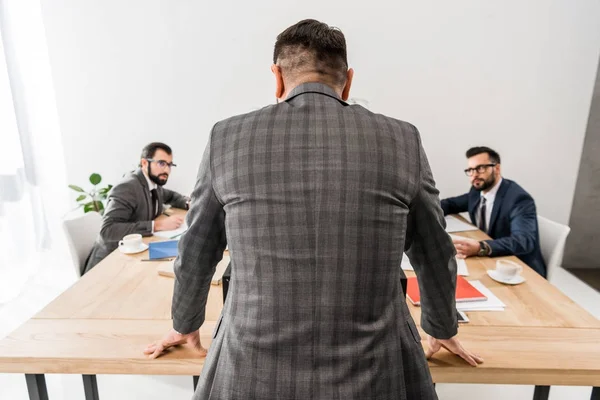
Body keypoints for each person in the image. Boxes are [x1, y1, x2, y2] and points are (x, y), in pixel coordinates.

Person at [145, 19, 482, 399]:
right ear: (348, 82)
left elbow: (197, 249)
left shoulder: (226, 137)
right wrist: (441, 326)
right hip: (374, 371)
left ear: (277, 78)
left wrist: (185, 322)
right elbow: (434, 250)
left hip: (251, 370)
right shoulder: (402, 138)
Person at [83, 142, 189, 274]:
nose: (166, 170)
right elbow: (108, 230)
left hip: (136, 257)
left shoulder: (153, 183)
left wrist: (188, 203)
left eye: (169, 164)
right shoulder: (128, 187)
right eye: (161, 163)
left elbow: (172, 196)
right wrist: (156, 225)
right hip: (109, 264)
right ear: (144, 163)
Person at [441, 146, 547, 277]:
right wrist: (426, 214)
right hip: (491, 260)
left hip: (519, 269)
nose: (474, 175)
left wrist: (481, 247)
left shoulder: (518, 199)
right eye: (470, 170)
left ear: (497, 168)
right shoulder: (477, 190)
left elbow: (523, 241)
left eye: (480, 168)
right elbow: (449, 204)